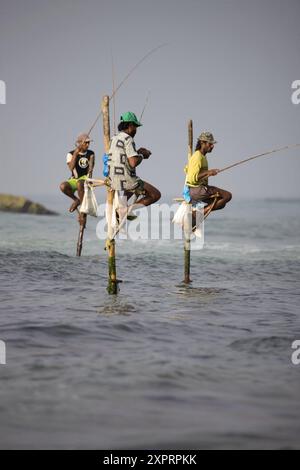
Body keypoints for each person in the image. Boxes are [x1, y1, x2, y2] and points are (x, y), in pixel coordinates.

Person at [107, 112, 161, 207]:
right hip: (126, 181)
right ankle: (128, 210)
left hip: (113, 180)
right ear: (130, 125)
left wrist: (137, 152)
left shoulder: (113, 138)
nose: (136, 130)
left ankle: (121, 208)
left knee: (133, 186)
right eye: (135, 127)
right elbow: (133, 162)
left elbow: (122, 155)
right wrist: (143, 155)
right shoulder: (128, 139)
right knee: (155, 194)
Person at [185, 131, 232, 217]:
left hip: (199, 190)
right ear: (202, 143)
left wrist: (209, 173)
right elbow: (192, 178)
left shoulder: (203, 156)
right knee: (227, 196)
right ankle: (197, 214)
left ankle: (198, 213)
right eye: (210, 144)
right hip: (197, 191)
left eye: (212, 144)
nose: (212, 146)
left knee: (221, 203)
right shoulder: (197, 157)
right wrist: (208, 172)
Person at [60, 133, 95, 213]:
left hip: (85, 179)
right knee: (63, 186)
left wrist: (90, 180)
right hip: (74, 179)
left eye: (88, 142)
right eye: (85, 142)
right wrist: (76, 154)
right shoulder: (71, 154)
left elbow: (90, 169)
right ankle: (76, 200)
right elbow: (71, 168)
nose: (88, 145)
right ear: (79, 143)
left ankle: (83, 207)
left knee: (80, 183)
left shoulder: (91, 153)